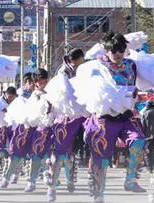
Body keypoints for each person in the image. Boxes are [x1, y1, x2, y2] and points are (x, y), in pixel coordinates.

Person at [82, 32, 146, 202]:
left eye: (121, 50)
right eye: (114, 50)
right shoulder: (97, 67)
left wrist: (137, 95)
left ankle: (130, 180)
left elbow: (138, 85)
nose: (118, 54)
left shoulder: (131, 65)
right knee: (101, 157)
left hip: (126, 115)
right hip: (105, 117)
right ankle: (98, 193)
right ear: (107, 51)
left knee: (139, 141)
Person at [46, 48, 86, 201]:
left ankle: (70, 179)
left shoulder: (82, 70)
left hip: (81, 115)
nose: (79, 67)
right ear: (71, 61)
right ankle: (52, 188)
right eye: (77, 64)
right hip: (64, 117)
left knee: (71, 154)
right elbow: (58, 97)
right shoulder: (62, 75)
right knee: (59, 154)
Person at [0, 86, 16, 176]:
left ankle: (6, 169)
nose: (11, 98)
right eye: (9, 96)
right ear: (5, 94)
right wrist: (5, 111)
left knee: (11, 148)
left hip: (11, 126)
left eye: (12, 96)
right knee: (0, 147)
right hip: (1, 126)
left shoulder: (16, 102)